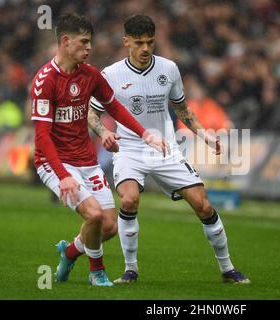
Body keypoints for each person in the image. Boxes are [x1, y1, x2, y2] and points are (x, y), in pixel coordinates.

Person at [88, 14, 249, 284]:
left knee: (203, 205)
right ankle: (131, 270)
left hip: (165, 148)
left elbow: (182, 110)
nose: (145, 49)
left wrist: (205, 136)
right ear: (126, 40)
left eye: (150, 42)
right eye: (139, 43)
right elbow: (92, 113)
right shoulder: (110, 75)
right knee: (128, 200)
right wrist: (103, 132)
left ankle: (228, 268)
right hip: (129, 148)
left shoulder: (169, 69)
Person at [31, 13, 168, 286]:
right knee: (93, 215)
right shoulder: (45, 80)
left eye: (90, 41)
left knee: (108, 227)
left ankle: (69, 252)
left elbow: (114, 106)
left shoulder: (90, 75)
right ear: (66, 41)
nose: (89, 47)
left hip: (86, 161)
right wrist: (63, 176)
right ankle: (97, 273)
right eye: (84, 42)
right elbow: (42, 138)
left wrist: (145, 135)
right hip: (54, 162)